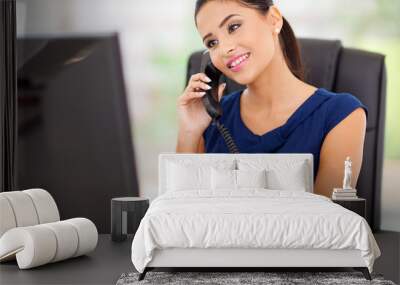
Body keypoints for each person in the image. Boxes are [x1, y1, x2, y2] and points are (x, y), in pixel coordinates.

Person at [176, 0, 368, 198]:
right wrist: (190, 131)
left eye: (233, 27)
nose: (224, 49)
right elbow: (178, 215)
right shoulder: (211, 120)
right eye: (212, 43)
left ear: (274, 19)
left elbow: (327, 223)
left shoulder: (341, 114)